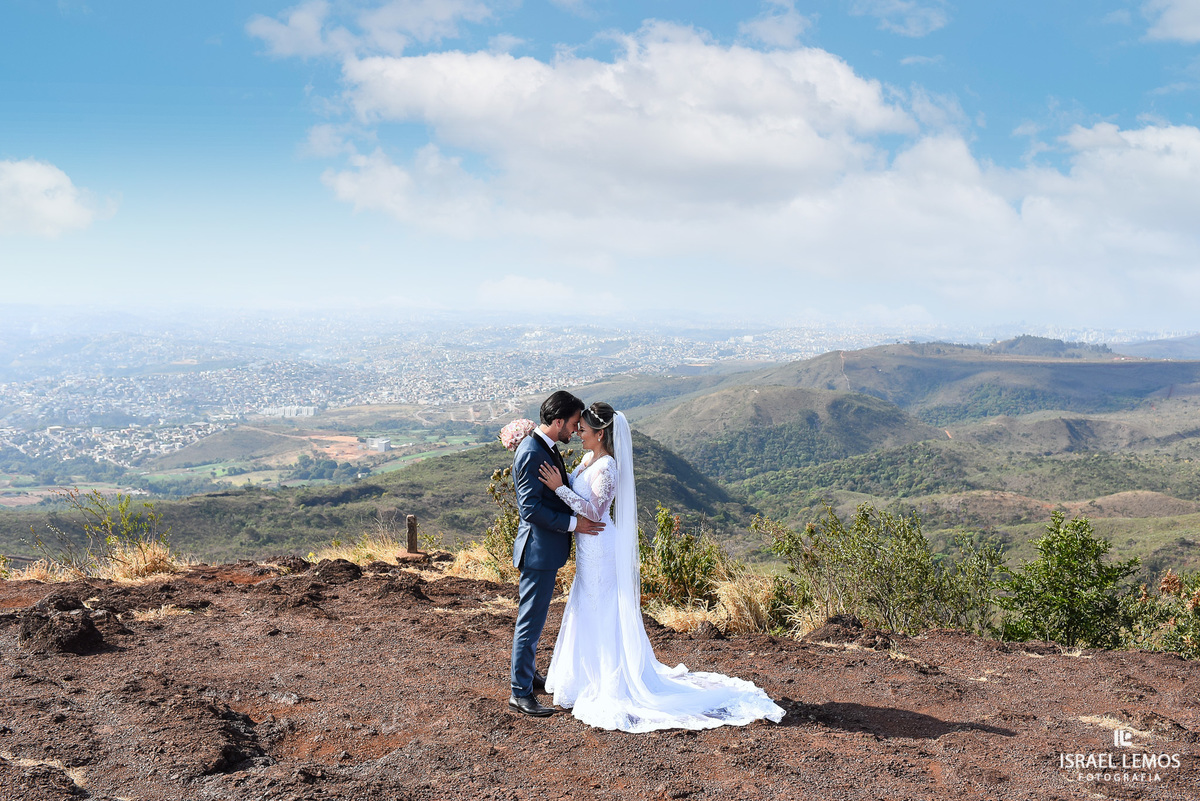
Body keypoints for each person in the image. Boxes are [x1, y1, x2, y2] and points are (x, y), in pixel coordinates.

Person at [537, 402, 785, 732]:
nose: (578, 433)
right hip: (587, 548)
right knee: (586, 606)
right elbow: (576, 492)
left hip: (600, 545)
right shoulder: (586, 459)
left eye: (583, 429)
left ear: (600, 434)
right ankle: (584, 678)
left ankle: (609, 680)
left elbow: (595, 512)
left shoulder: (608, 467)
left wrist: (560, 489)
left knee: (602, 608)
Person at [508, 390, 603, 717]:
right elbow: (530, 510)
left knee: (534, 619)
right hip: (538, 551)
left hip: (544, 550)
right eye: (574, 423)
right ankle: (519, 693)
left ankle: (529, 676)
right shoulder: (532, 452)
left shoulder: (544, 446)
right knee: (530, 621)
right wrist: (575, 524)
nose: (576, 429)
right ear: (558, 421)